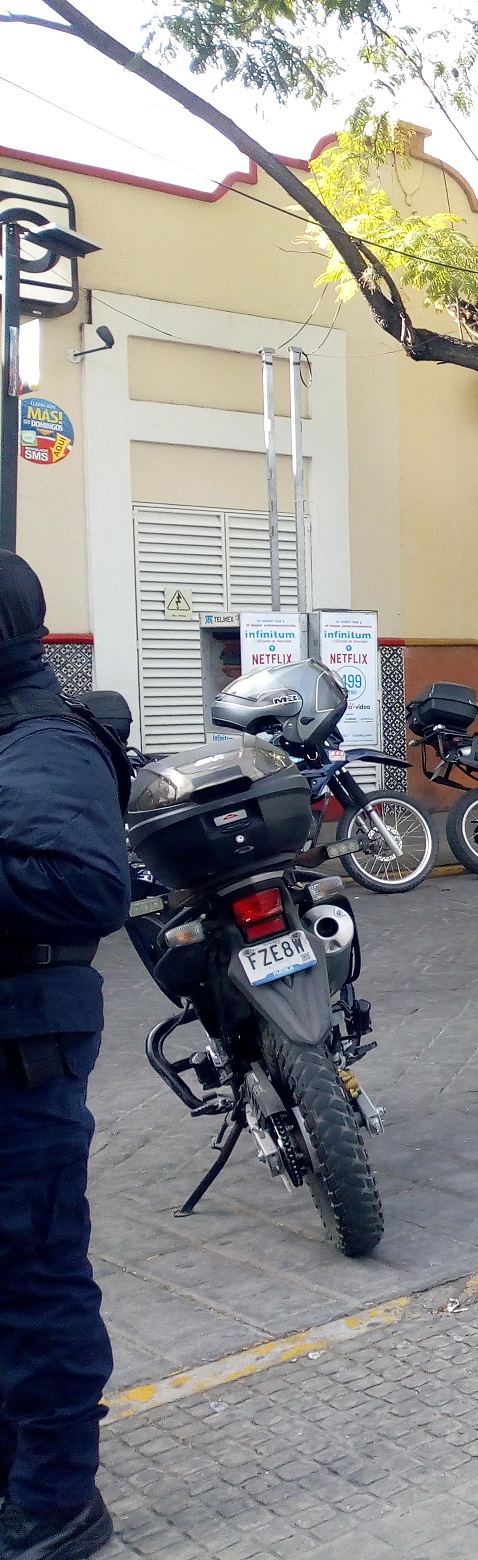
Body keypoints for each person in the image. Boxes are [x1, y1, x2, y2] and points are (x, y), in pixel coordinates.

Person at [0, 553, 130, 1560]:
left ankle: (59, 1502)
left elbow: (85, 889)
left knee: (34, 1272)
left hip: (24, 1053)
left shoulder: (46, 741)